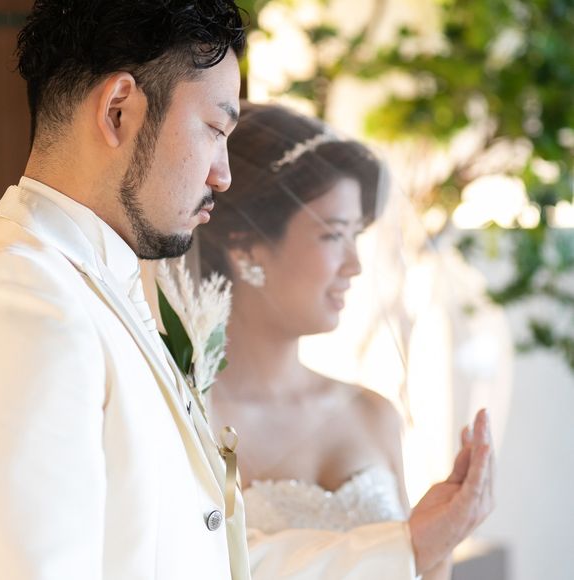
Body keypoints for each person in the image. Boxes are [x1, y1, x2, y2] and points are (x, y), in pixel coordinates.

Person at [0, 1, 248, 578]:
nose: (223, 174)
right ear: (118, 110)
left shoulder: (92, 285)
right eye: (215, 130)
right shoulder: (28, 299)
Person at [195, 101, 494, 578]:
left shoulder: (372, 413)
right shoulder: (193, 420)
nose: (354, 265)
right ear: (245, 245)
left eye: (357, 235)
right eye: (333, 235)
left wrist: (442, 537)